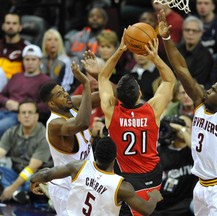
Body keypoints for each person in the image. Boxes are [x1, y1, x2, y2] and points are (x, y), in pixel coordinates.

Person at [158, 9, 217, 215]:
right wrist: (167, 38)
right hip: (202, 186)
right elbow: (181, 69)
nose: (208, 90)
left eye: (214, 90)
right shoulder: (200, 102)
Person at [98, 33, 176, 215]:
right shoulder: (152, 110)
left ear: (116, 96)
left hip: (128, 178)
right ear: (140, 93)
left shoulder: (112, 112)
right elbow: (169, 80)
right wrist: (155, 57)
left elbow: (102, 78)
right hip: (154, 173)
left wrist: (120, 50)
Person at [30, 137, 163, 216]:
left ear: (95, 154)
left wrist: (34, 179)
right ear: (115, 157)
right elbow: (146, 210)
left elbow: (46, 174)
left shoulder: (77, 166)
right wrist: (154, 198)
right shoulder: (122, 187)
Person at [38, 59, 101, 215]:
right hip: (66, 188)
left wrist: (97, 76)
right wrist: (85, 85)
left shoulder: (72, 103)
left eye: (64, 90)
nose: (66, 94)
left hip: (87, 181)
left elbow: (106, 95)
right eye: (60, 94)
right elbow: (83, 123)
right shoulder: (54, 124)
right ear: (51, 104)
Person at [0, 99, 52, 203]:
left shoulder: (44, 136)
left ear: (37, 116)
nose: (26, 116)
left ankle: (14, 192)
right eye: (23, 113)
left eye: (30, 112)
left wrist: (12, 187)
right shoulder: (11, 132)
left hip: (35, 176)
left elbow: (32, 168)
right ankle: (18, 194)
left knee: (39, 182)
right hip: (15, 174)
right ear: (18, 117)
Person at [0, 44, 51, 137]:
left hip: (21, 116)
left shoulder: (45, 80)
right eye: (27, 59)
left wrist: (21, 107)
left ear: (40, 61)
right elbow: (1, 95)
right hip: (4, 110)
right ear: (23, 61)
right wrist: (6, 101)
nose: (30, 62)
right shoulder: (16, 76)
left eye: (33, 59)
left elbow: (46, 106)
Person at [157, 114, 197, 215]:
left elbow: (198, 152)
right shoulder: (161, 151)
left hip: (185, 206)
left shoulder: (193, 153)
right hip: (162, 205)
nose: (181, 129)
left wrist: (182, 130)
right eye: (178, 125)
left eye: (186, 126)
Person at [41, 28, 74, 93]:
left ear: (60, 43)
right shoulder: (40, 60)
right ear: (44, 43)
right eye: (49, 40)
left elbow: (66, 84)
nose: (53, 42)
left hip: (60, 95)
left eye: (56, 40)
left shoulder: (65, 61)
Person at [0, 12, 30, 79]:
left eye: (14, 23)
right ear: (3, 26)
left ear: (20, 27)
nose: (11, 26)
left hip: (14, 84)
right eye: (8, 23)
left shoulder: (26, 48)